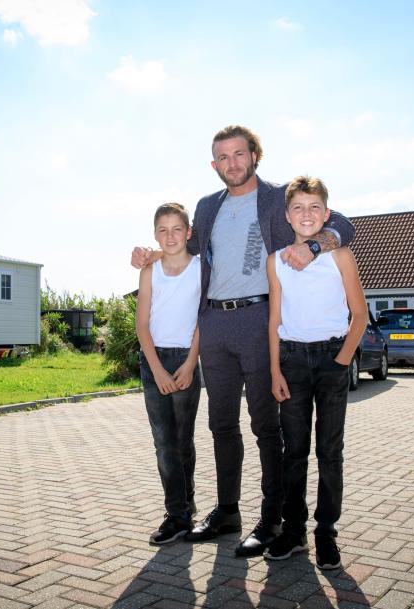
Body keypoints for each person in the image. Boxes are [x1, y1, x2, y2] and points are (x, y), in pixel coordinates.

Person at [131, 125, 356, 557]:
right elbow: (182, 246)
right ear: (214, 164)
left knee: (265, 426)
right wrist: (151, 254)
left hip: (258, 319)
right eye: (222, 157)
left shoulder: (277, 197)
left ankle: (272, 519)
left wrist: (315, 247)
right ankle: (227, 510)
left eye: (239, 154)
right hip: (214, 323)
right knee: (220, 425)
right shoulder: (207, 206)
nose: (231, 163)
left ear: (255, 154)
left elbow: (341, 221)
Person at [263, 176, 367, 570]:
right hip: (291, 362)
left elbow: (359, 315)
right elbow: (274, 321)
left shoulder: (341, 256)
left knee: (329, 450)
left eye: (314, 208)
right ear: (287, 215)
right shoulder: (275, 261)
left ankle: (326, 532)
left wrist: (341, 362)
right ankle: (294, 532)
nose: (306, 215)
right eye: (298, 208)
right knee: (295, 452)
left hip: (331, 362)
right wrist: (275, 370)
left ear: (327, 213)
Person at [136, 202, 203, 545]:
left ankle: (186, 504)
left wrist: (191, 363)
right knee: (164, 443)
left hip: (187, 358)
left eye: (177, 228)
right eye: (162, 230)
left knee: (183, 440)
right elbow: (142, 325)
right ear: (154, 235)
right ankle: (176, 514)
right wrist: (157, 370)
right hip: (154, 360)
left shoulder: (201, 269)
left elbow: (203, 321)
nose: (170, 236)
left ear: (189, 232)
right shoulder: (150, 270)